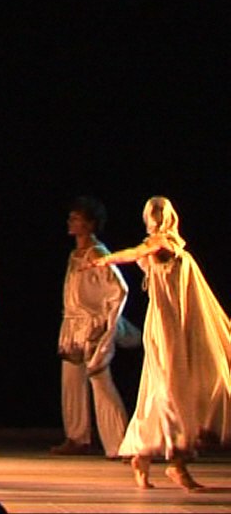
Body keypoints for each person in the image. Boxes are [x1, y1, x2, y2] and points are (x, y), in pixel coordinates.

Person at [86, 196, 230, 490]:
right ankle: (177, 461)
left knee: (164, 390)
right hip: (165, 327)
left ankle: (143, 454)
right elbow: (138, 252)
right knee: (170, 390)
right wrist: (107, 259)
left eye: (161, 212)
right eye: (154, 213)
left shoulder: (175, 246)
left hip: (180, 323)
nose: (158, 217)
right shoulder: (159, 244)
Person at [50, 196, 130, 458]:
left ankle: (120, 444)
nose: (70, 222)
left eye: (76, 218)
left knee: (101, 383)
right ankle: (77, 438)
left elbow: (119, 290)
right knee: (72, 383)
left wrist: (107, 324)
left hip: (91, 325)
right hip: (73, 324)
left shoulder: (97, 253)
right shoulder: (76, 254)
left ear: (90, 224)